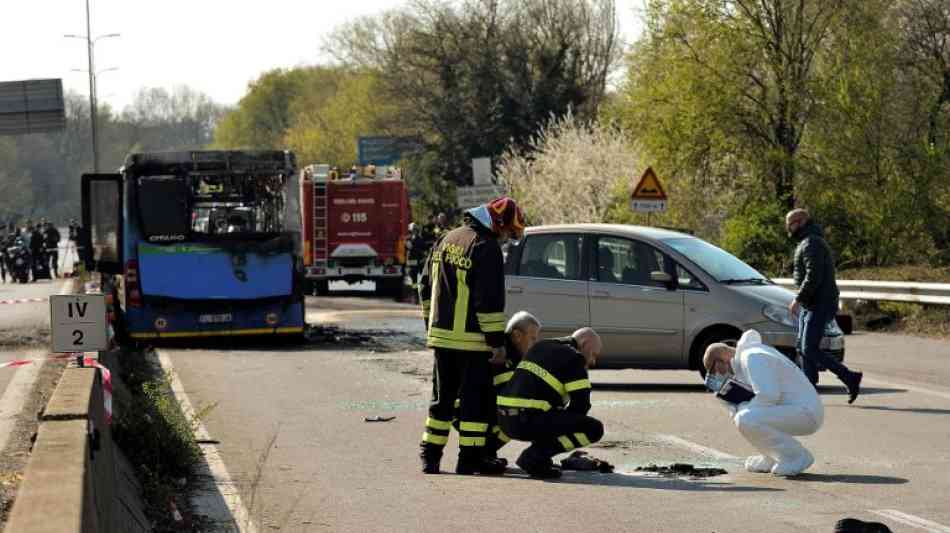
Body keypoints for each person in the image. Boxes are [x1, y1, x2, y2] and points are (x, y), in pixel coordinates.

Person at [418, 196, 526, 475]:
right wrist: (496, 344)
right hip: (473, 342)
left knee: (442, 401)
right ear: (498, 223)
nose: (505, 238)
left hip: (442, 340)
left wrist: (431, 325)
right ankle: (469, 460)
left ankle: (430, 458)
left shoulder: (446, 239)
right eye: (506, 232)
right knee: (473, 405)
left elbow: (423, 286)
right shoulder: (485, 247)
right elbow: (488, 302)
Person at [704, 329, 823, 476]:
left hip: (805, 412)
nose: (719, 374)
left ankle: (796, 456)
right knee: (743, 416)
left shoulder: (752, 357)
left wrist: (743, 408)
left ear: (719, 362)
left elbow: (768, 395)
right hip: (794, 409)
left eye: (714, 370)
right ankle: (772, 456)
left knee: (745, 418)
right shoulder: (747, 358)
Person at [497, 327, 605, 479]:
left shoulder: (541, 345)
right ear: (584, 343)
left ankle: (486, 454)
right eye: (593, 354)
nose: (593, 361)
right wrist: (561, 433)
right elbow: (581, 405)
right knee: (594, 429)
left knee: (550, 415)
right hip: (527, 421)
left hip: (504, 422)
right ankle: (534, 458)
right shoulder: (575, 358)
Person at [785, 209, 862, 402]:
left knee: (809, 348)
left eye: (791, 223)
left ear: (802, 221)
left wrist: (799, 298)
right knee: (802, 347)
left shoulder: (812, 243)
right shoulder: (807, 242)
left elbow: (814, 276)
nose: (789, 228)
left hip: (820, 303)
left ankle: (850, 377)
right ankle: (808, 390)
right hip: (812, 303)